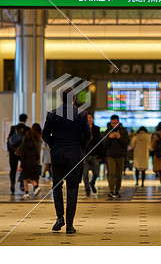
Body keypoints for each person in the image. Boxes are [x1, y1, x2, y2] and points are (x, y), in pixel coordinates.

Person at [42, 86, 91, 234]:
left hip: (57, 153)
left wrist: (54, 145)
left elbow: (45, 135)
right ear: (74, 98)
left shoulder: (52, 114)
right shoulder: (81, 114)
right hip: (75, 153)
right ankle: (70, 224)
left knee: (57, 186)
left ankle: (60, 218)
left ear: (61, 99)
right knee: (72, 187)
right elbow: (87, 135)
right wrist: (80, 148)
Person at [103, 114, 129, 198]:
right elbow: (104, 144)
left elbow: (126, 143)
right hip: (110, 155)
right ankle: (111, 190)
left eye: (116, 123)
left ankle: (117, 190)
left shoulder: (123, 131)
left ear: (118, 122)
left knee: (119, 174)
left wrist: (119, 137)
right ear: (110, 123)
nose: (114, 125)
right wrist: (109, 138)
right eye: (113, 123)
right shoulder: (108, 131)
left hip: (120, 155)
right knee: (111, 172)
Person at [7, 114, 31, 194]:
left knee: (13, 169)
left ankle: (12, 183)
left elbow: (9, 140)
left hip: (13, 152)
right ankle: (22, 184)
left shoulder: (13, 128)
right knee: (23, 168)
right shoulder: (28, 129)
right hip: (24, 153)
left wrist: (10, 150)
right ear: (26, 120)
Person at [20, 123, 42, 198]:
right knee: (30, 177)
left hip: (26, 163)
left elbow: (22, 155)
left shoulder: (23, 145)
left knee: (25, 178)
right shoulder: (34, 144)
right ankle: (34, 188)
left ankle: (28, 191)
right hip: (33, 162)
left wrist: (22, 165)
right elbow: (37, 154)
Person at [83, 112, 102, 197]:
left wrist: (100, 155)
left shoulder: (96, 129)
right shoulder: (81, 129)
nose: (89, 119)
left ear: (93, 119)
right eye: (87, 118)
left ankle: (92, 183)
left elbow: (99, 142)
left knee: (96, 173)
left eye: (91, 118)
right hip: (84, 155)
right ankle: (87, 188)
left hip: (94, 155)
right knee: (85, 173)